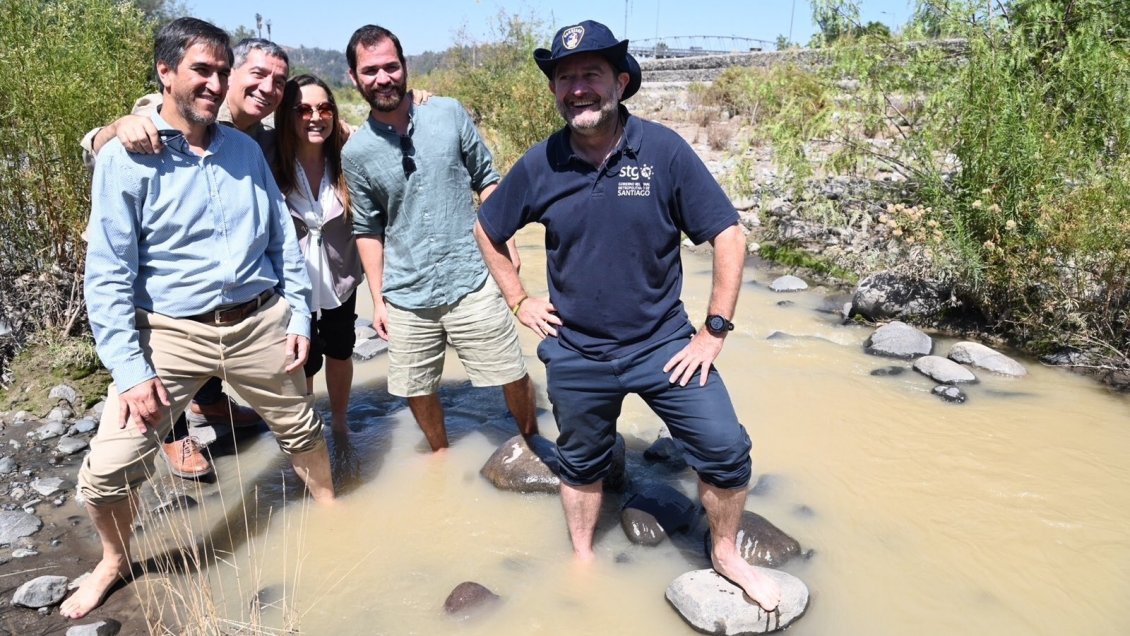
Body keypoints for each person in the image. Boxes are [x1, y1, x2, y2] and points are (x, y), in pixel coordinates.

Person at [474, 20, 781, 612]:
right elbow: (488, 229)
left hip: (664, 345)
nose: (578, 88)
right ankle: (582, 558)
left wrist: (714, 331)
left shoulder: (662, 151)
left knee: (724, 449)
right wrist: (519, 299)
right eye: (565, 77)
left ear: (620, 82)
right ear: (554, 90)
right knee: (580, 463)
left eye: (591, 74)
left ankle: (725, 553)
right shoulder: (541, 163)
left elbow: (728, 235)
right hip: (576, 350)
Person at [62, 18, 334, 620]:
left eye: (220, 71)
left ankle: (333, 514)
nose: (213, 83)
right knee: (107, 471)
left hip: (259, 321)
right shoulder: (127, 155)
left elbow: (282, 241)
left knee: (303, 430)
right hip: (171, 333)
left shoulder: (244, 149)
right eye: (201, 70)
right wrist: (131, 371)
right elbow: (107, 275)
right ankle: (113, 560)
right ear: (165, 72)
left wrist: (298, 317)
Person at [81, 37, 293, 478]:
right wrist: (118, 126)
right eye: (257, 74)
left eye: (279, 81)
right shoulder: (193, 107)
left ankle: (211, 403)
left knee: (221, 305)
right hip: (155, 267)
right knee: (172, 331)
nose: (267, 88)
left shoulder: (261, 139)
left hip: (229, 274)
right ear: (235, 73)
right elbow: (109, 140)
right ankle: (174, 434)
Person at [342, 25, 537, 452]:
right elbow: (367, 229)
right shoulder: (355, 153)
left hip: (472, 274)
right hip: (406, 291)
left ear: (405, 66)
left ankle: (531, 441)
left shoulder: (447, 112)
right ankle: (441, 453)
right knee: (417, 387)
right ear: (354, 78)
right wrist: (378, 299)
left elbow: (488, 179)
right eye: (370, 71)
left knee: (510, 370)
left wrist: (506, 243)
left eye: (391, 67)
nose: (383, 78)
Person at [271, 74, 363, 435]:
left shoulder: (347, 158)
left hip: (341, 273)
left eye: (324, 109)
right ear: (287, 115)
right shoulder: (270, 159)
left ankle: (340, 422)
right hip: (291, 280)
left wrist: (417, 98)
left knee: (341, 348)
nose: (315, 117)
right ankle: (308, 428)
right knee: (302, 356)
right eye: (303, 110)